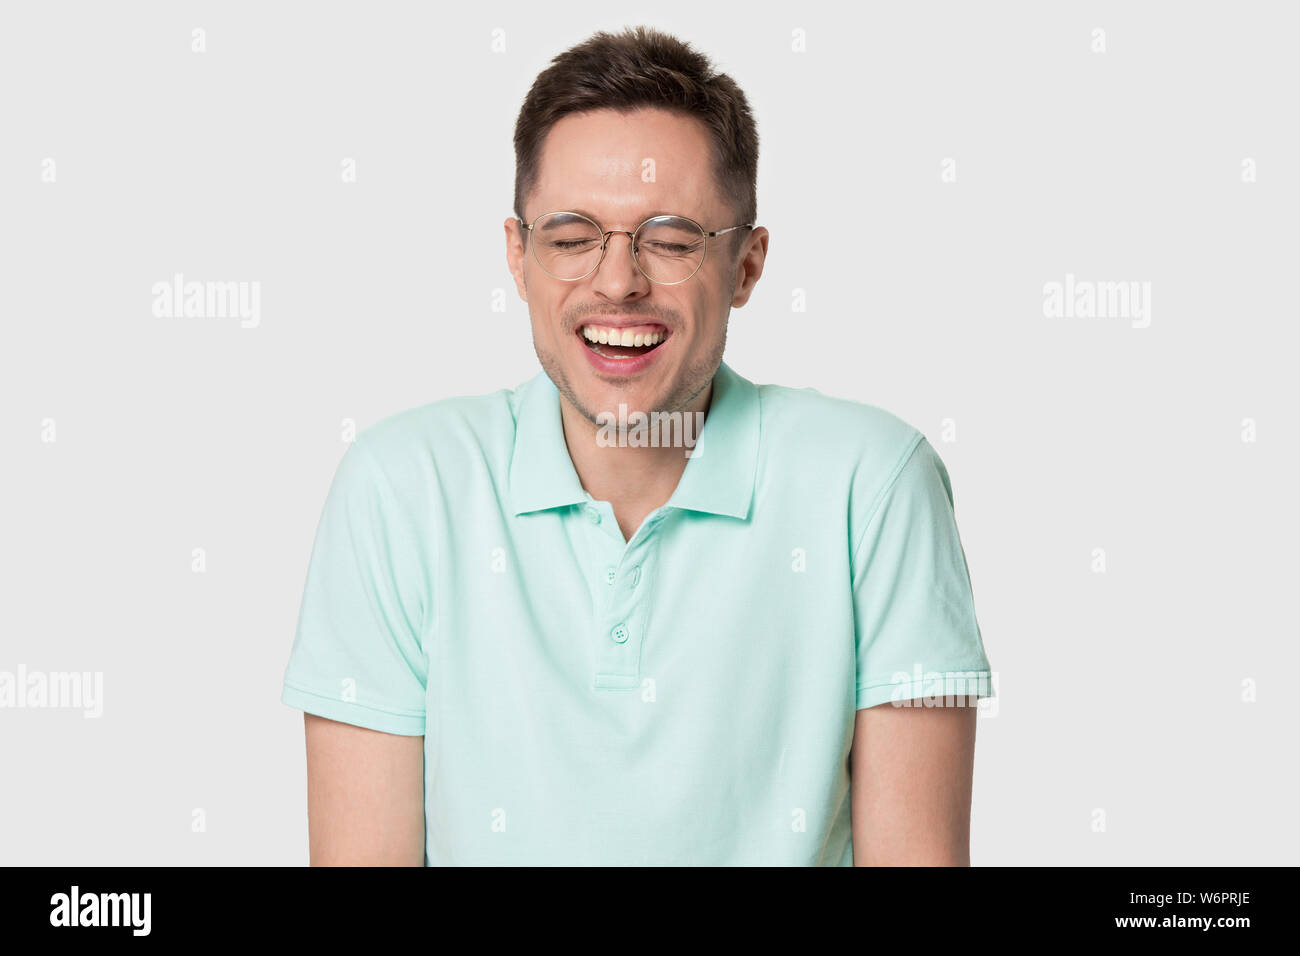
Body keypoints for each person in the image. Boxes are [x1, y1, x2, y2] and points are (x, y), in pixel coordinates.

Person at [280, 24, 994, 866]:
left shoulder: (874, 483)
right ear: (518, 256)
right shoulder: (400, 487)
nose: (617, 282)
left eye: (671, 238)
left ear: (749, 266)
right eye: (574, 237)